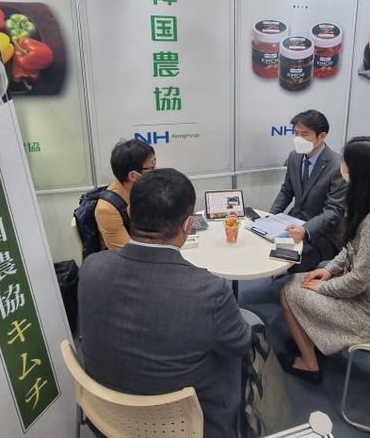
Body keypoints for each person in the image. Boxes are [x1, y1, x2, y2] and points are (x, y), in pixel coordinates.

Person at [78, 168, 252, 438]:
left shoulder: (91, 267)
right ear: (188, 225)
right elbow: (241, 343)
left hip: (106, 417)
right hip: (183, 426)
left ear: (130, 213)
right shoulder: (210, 291)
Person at [278, 136, 370, 384]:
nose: (341, 167)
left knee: (289, 291)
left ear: (362, 173)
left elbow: (359, 281)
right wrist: (329, 270)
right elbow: (352, 247)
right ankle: (310, 340)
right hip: (362, 295)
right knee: (302, 280)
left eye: (346, 163)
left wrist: (323, 287)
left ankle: (309, 364)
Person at [270, 109, 347, 272]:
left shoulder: (337, 166)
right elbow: (286, 191)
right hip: (294, 220)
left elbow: (334, 211)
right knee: (266, 242)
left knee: (298, 261)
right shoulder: (295, 156)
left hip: (322, 233)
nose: (299, 139)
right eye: (296, 133)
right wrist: (270, 217)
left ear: (321, 136)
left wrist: (305, 230)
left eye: (305, 134)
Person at [96, 139, 156, 251]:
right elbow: (127, 253)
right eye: (151, 168)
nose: (155, 172)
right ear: (133, 175)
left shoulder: (142, 189)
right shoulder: (107, 209)